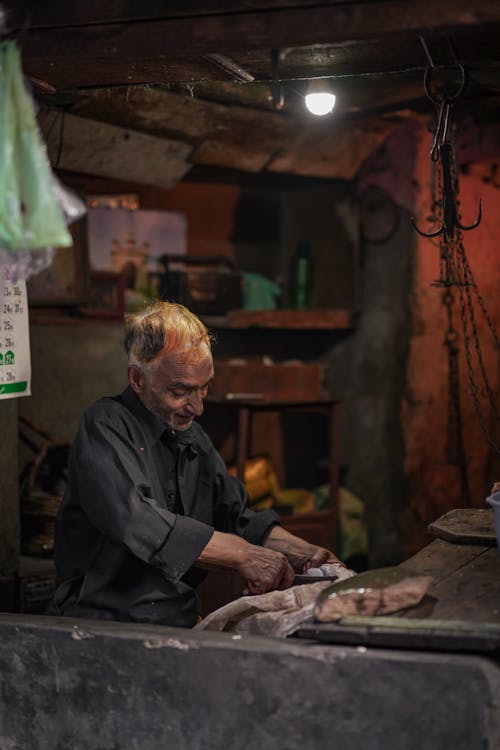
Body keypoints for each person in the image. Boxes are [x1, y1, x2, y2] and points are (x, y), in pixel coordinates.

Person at [49, 301, 341, 627]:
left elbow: (238, 517)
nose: (197, 407)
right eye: (180, 391)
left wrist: (304, 553)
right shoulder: (105, 425)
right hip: (99, 622)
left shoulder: (192, 436)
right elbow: (138, 521)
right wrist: (243, 555)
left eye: (204, 388)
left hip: (175, 617)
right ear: (137, 379)